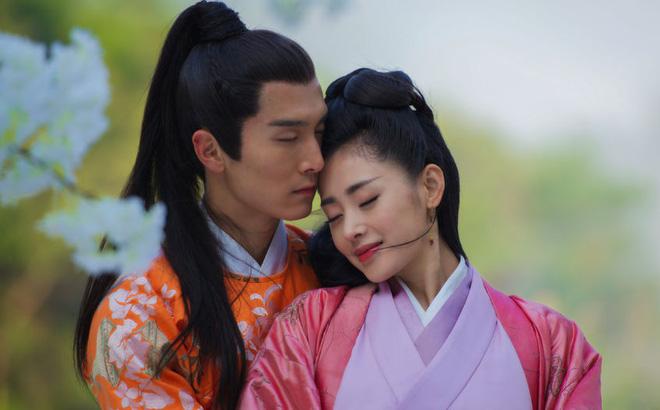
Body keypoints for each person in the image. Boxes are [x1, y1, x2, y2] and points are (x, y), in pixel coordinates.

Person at [239, 69, 602, 409]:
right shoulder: (309, 329)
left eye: (367, 200)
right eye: (335, 216)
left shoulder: (551, 343)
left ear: (430, 186)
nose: (349, 230)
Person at [74, 2, 326, 409]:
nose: (315, 159)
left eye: (320, 132)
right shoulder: (137, 315)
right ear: (210, 150)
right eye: (288, 138)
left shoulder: (334, 266)